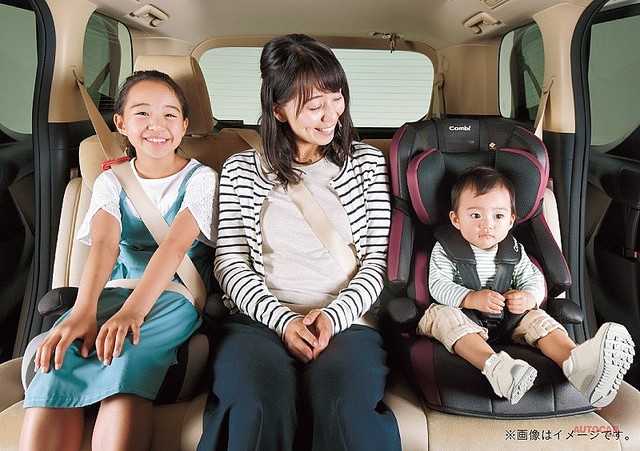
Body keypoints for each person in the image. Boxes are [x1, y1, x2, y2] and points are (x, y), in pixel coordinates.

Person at [197, 34, 400, 451]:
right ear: (278, 109)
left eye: (336, 98)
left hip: (348, 322)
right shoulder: (240, 169)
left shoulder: (366, 163)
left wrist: (332, 317)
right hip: (258, 322)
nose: (331, 115)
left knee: (343, 407)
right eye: (313, 105)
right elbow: (230, 263)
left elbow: (378, 262)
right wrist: (283, 322)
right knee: (256, 406)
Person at [19, 70, 218, 450]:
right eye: (142, 113)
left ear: (184, 125)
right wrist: (83, 311)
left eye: (169, 115)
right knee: (58, 357)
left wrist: (133, 313)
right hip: (114, 291)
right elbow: (104, 244)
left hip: (172, 296)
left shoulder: (201, 179)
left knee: (126, 353)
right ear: (121, 123)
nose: (156, 125)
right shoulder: (111, 181)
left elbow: (174, 247)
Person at [417, 165, 635, 406]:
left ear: (511, 220)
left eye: (498, 216)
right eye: (476, 215)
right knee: (442, 316)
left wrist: (529, 297)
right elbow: (438, 285)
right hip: (462, 314)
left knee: (538, 319)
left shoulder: (514, 251)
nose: (487, 225)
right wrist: (470, 298)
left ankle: (577, 363)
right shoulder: (445, 249)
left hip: (508, 318)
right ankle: (496, 368)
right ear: (456, 219)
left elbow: (533, 279)